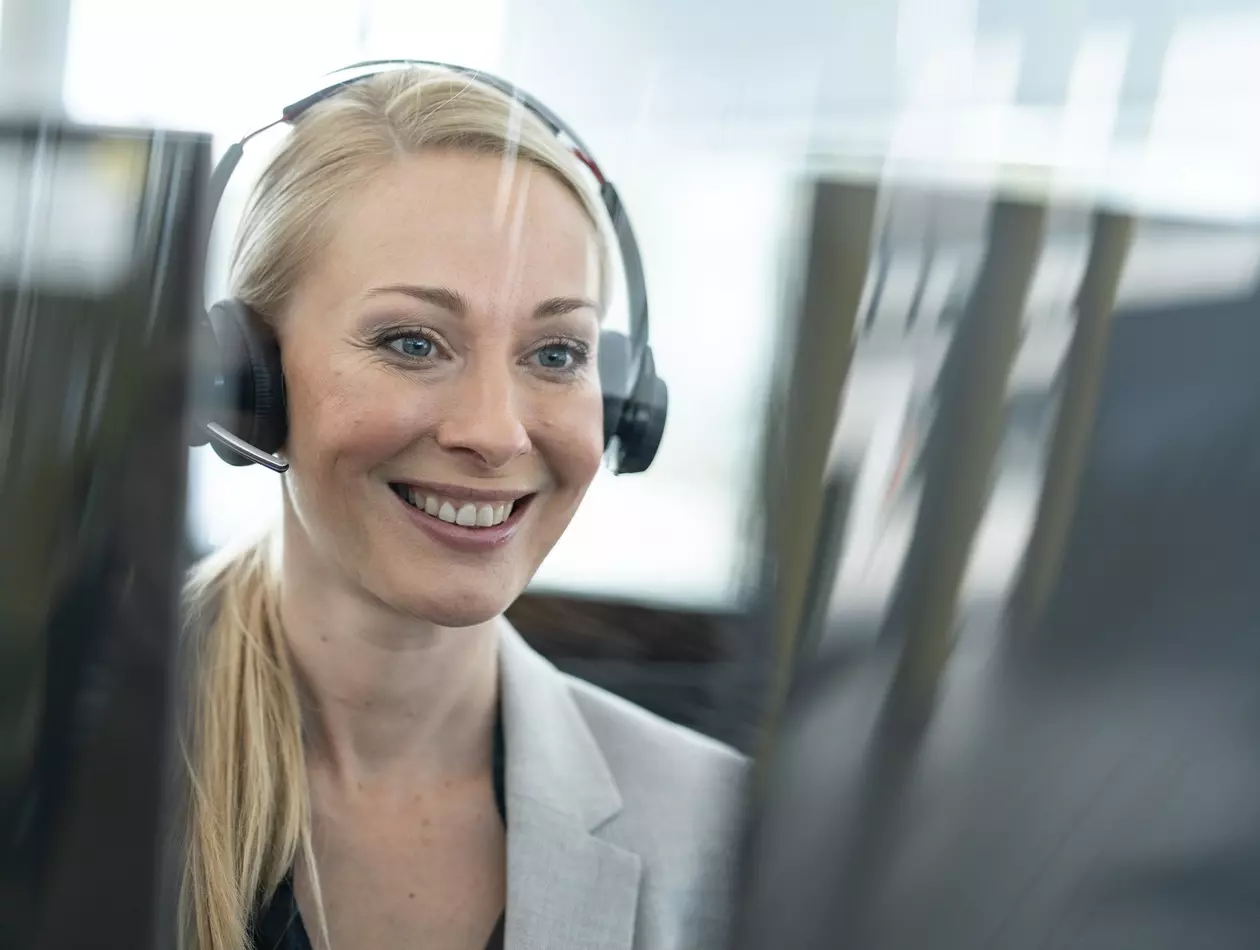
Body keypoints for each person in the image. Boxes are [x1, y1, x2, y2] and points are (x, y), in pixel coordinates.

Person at [175, 66, 748, 950]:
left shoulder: (725, 840)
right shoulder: (56, 748)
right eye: (412, 342)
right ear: (247, 379)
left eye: (556, 354)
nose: (495, 432)